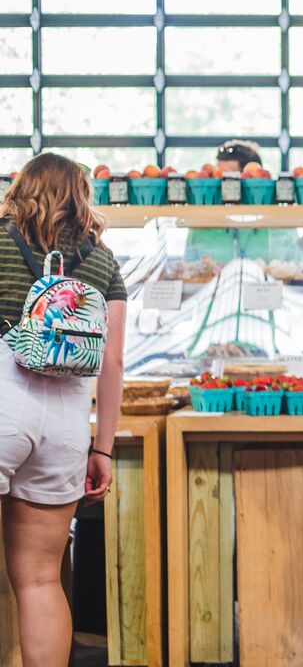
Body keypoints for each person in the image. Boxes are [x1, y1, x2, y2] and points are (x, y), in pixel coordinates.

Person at [0, 153, 127, 667]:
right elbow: (113, 361)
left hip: (3, 402)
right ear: (82, 196)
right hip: (70, 419)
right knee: (39, 580)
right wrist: (104, 448)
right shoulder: (102, 259)